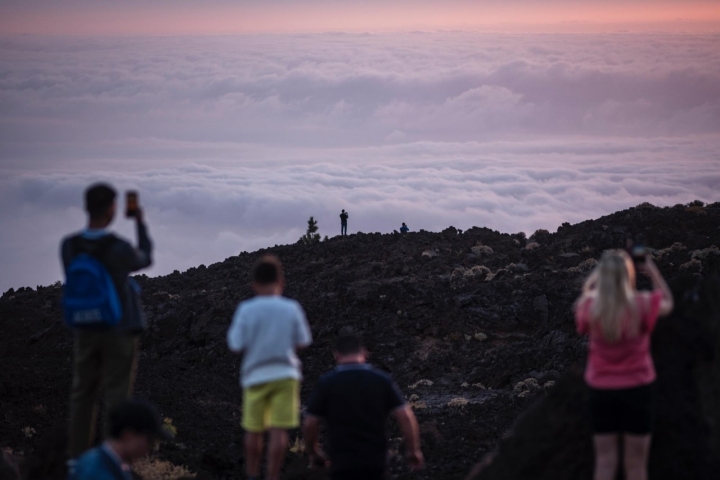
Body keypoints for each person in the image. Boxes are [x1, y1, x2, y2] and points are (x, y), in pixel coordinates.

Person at [61, 183, 153, 458]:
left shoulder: (70, 246)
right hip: (119, 329)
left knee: (82, 394)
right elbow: (144, 259)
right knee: (116, 396)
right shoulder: (118, 248)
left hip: (85, 328)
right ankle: (111, 461)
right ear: (112, 209)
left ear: (86, 207)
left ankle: (77, 461)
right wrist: (140, 224)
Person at [575, 250, 673, 480]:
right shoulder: (642, 304)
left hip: (602, 392)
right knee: (636, 465)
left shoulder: (589, 307)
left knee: (605, 462)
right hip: (638, 390)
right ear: (628, 276)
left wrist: (600, 282)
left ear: (601, 277)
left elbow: (584, 309)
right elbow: (668, 303)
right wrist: (651, 270)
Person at [226, 255, 313, 480]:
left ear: (253, 284)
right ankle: (272, 476)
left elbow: (235, 344)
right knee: (278, 430)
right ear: (281, 282)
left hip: (255, 376)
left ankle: (252, 473)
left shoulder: (246, 309)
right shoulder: (291, 308)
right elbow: (303, 341)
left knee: (253, 430)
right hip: (286, 375)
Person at [303, 334, 424, 480]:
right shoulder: (381, 380)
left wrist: (313, 452)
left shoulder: (326, 383)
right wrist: (413, 450)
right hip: (375, 462)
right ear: (364, 353)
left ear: (336, 355)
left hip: (341, 463)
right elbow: (405, 415)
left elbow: (310, 422)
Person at [67, 399, 172, 480]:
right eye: (148, 440)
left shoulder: (91, 459)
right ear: (128, 435)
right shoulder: (101, 474)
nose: (149, 448)